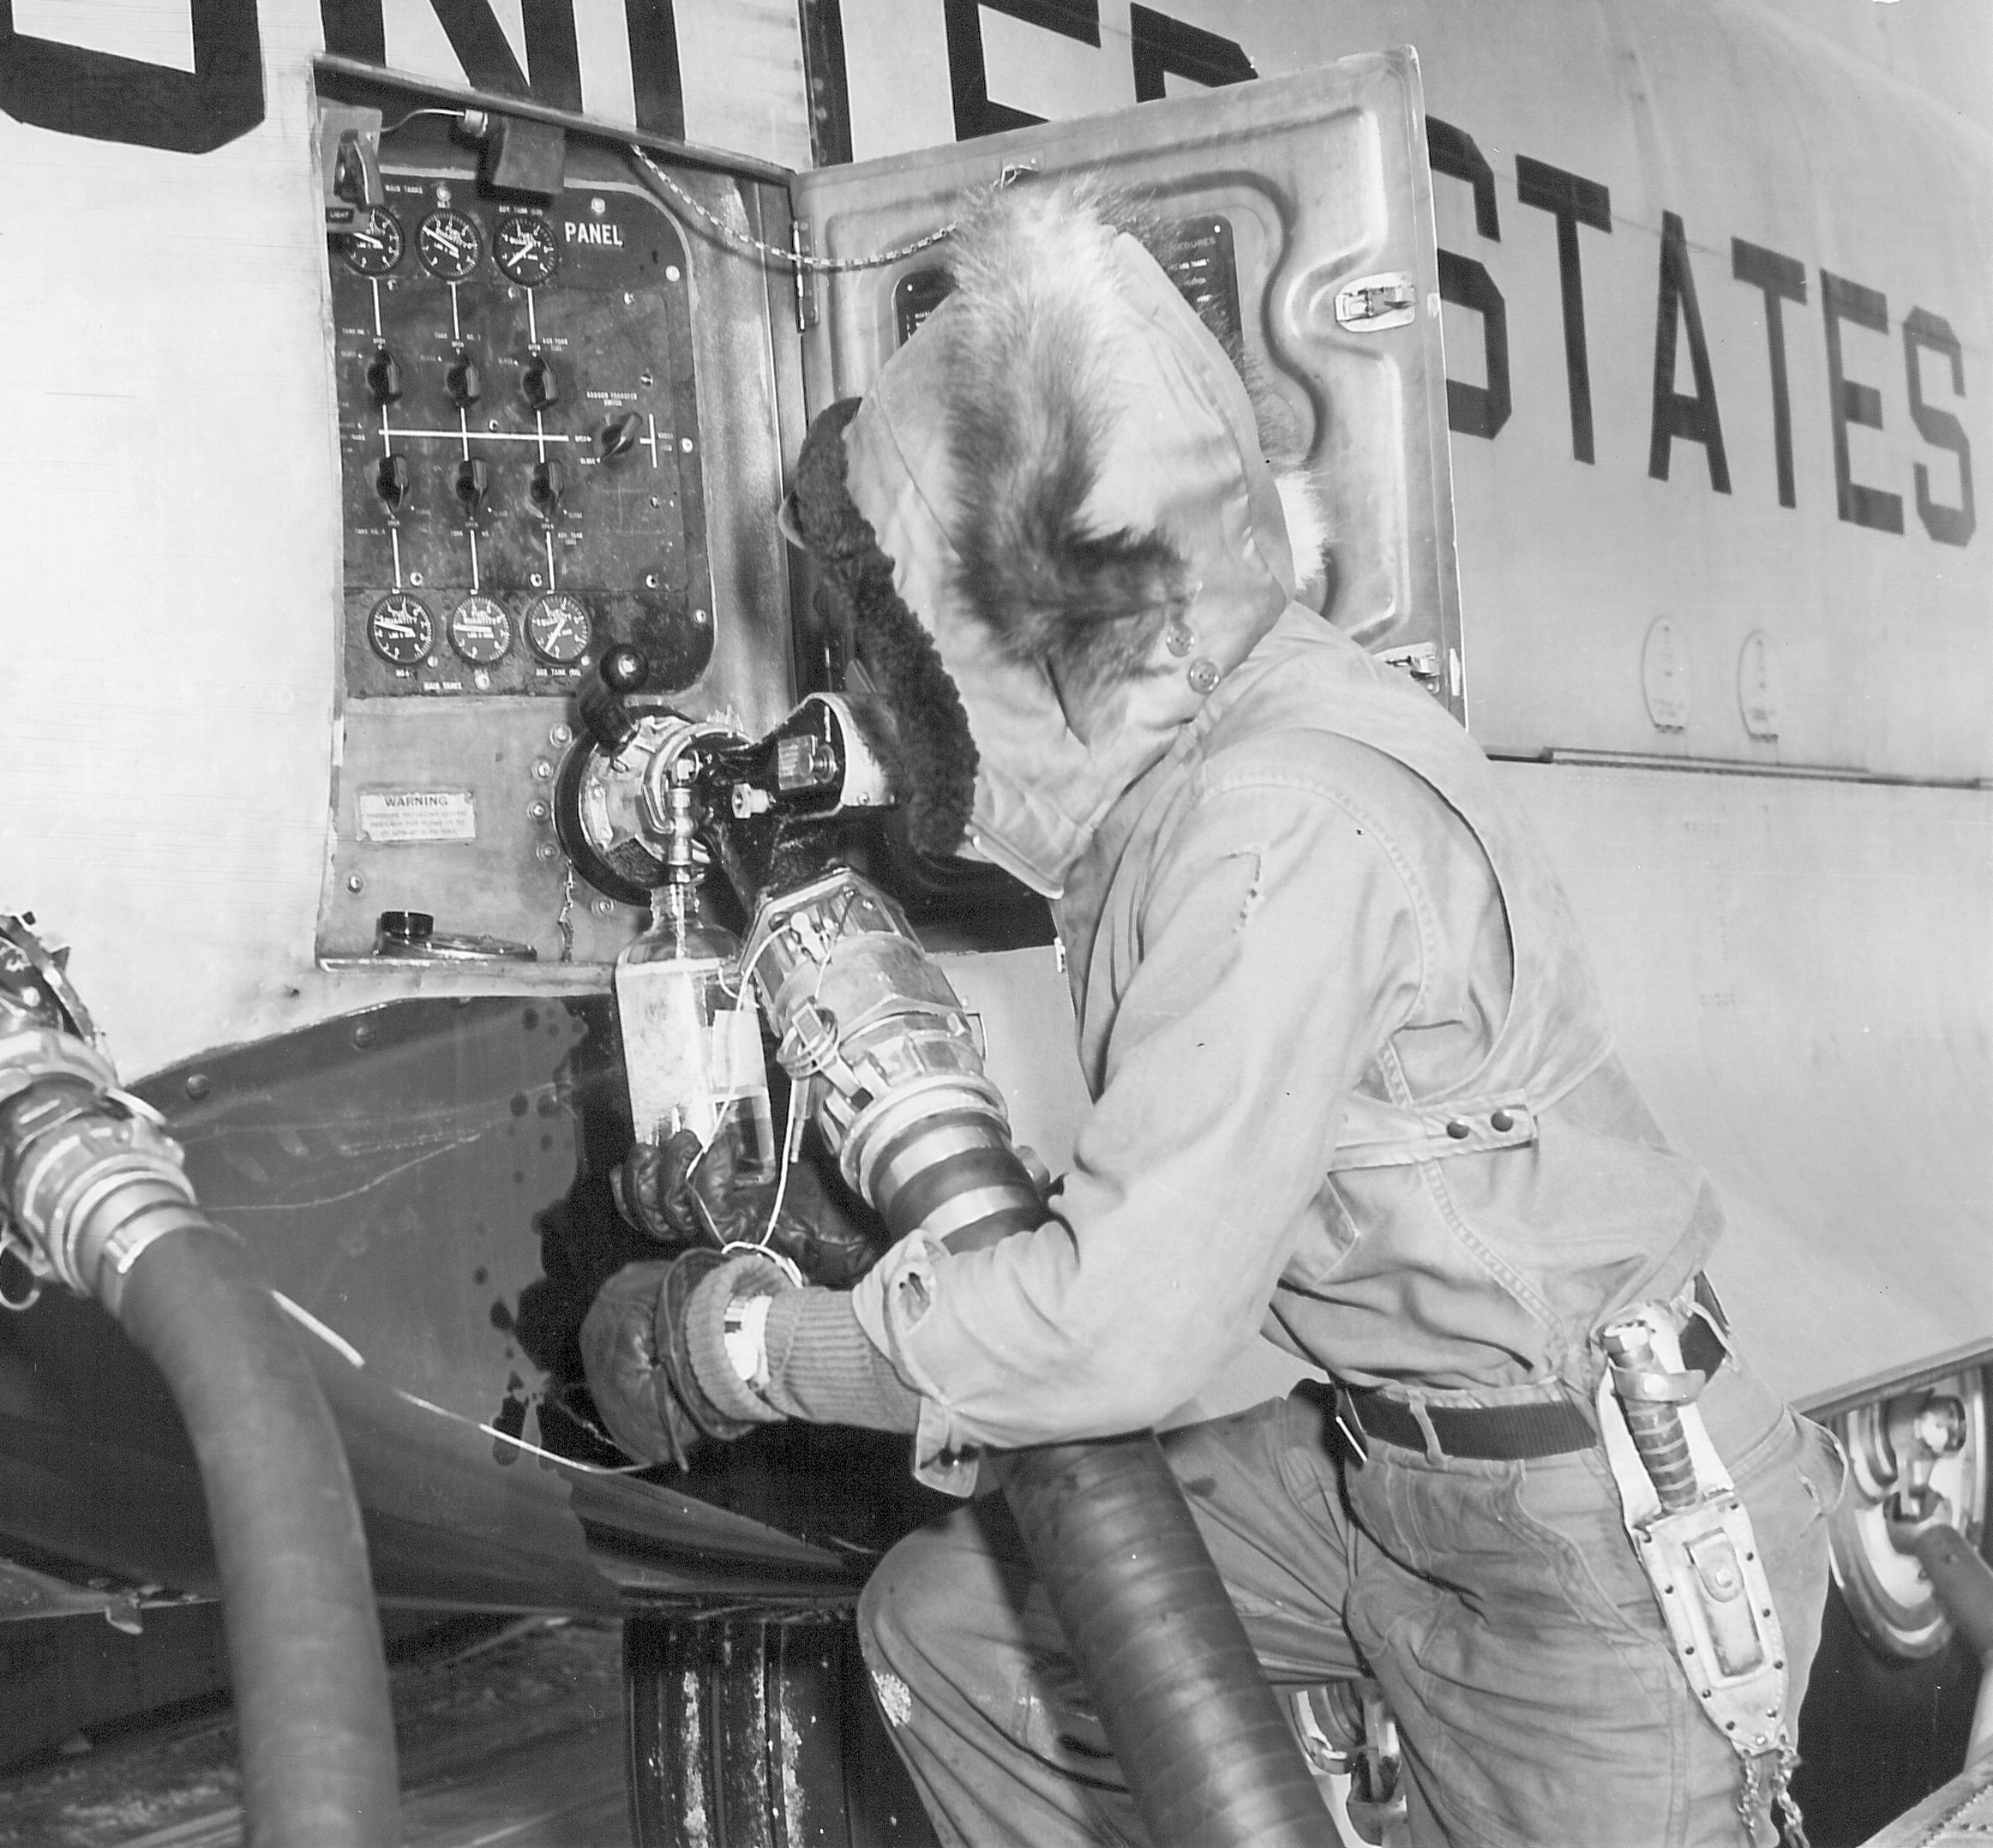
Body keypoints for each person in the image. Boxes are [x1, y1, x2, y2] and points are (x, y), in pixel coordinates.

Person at [581, 181, 1838, 1848]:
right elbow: (1058, 844)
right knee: (957, 1630)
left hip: (1587, 1534)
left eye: (897, 641)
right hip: (1381, 1475)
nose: (873, 689)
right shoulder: (1193, 736)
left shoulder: (1273, 821)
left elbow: (1119, 1331)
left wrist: (749, 1344)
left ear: (1033, 626)